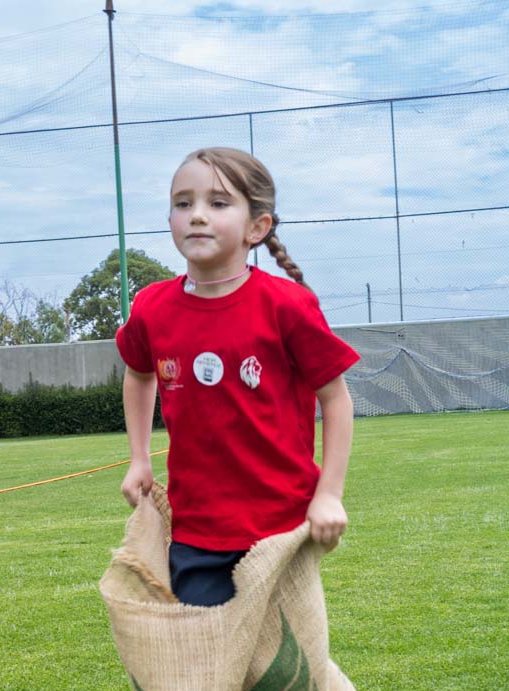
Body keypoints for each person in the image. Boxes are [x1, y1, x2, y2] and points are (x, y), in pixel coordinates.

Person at [116, 147, 360, 607]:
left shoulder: (286, 305)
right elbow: (138, 375)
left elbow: (336, 399)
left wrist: (329, 494)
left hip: (282, 530)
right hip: (196, 533)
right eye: (183, 203)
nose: (197, 216)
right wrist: (139, 458)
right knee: (203, 666)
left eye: (218, 203)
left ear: (257, 228)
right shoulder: (151, 307)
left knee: (282, 673)